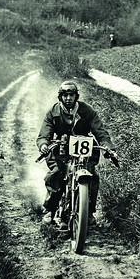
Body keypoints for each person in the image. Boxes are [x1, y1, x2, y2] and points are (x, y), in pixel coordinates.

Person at [36, 81, 116, 226]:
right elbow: (44, 134)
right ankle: (50, 210)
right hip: (61, 150)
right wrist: (43, 145)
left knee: (93, 176)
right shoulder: (53, 112)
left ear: (76, 96)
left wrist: (107, 147)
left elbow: (100, 131)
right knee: (56, 174)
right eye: (65, 95)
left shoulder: (87, 111)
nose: (68, 98)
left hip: (83, 151)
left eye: (71, 95)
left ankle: (88, 212)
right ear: (60, 97)